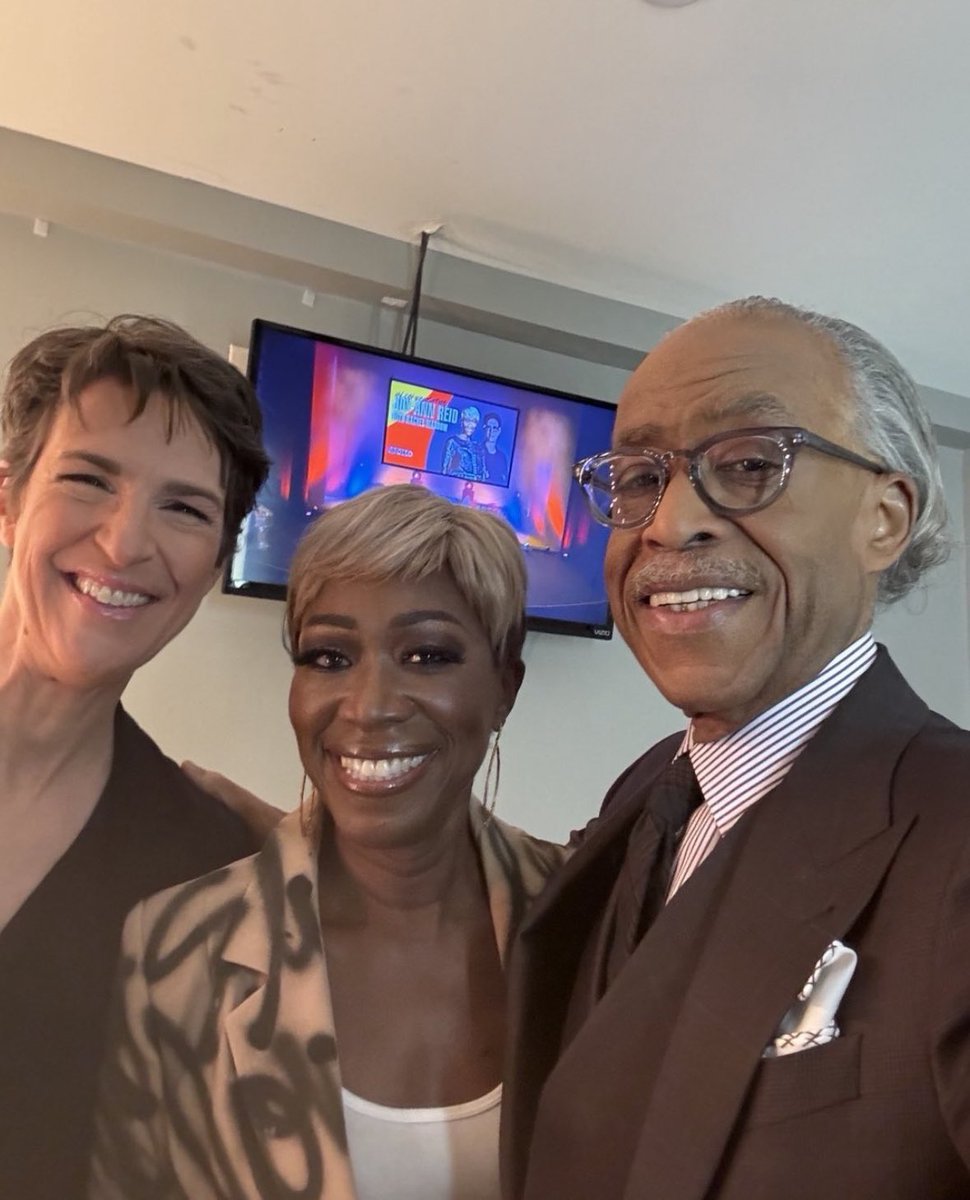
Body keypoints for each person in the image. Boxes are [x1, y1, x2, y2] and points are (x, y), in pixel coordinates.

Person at [502, 296, 970, 1199]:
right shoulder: (646, 793)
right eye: (640, 477)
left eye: (752, 463)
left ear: (885, 516)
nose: (670, 524)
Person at [90, 485, 565, 1200]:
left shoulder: (585, 917)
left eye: (428, 655)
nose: (370, 706)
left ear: (505, 686)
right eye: (330, 657)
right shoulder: (177, 950)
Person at [0, 316, 269, 1200]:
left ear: (215, 560)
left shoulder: (203, 868)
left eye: (185, 508)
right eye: (88, 479)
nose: (124, 543)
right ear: (8, 497)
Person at [442, 404, 485, 481]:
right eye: (467, 420)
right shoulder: (452, 442)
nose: (470, 425)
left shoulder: (477, 446)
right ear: (462, 422)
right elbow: (444, 469)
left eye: (474, 421)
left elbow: (482, 472)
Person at [479, 413, 509, 486]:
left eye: (494, 428)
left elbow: (504, 480)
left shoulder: (502, 457)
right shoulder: (476, 451)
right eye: (489, 427)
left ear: (499, 431)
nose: (491, 431)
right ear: (484, 429)